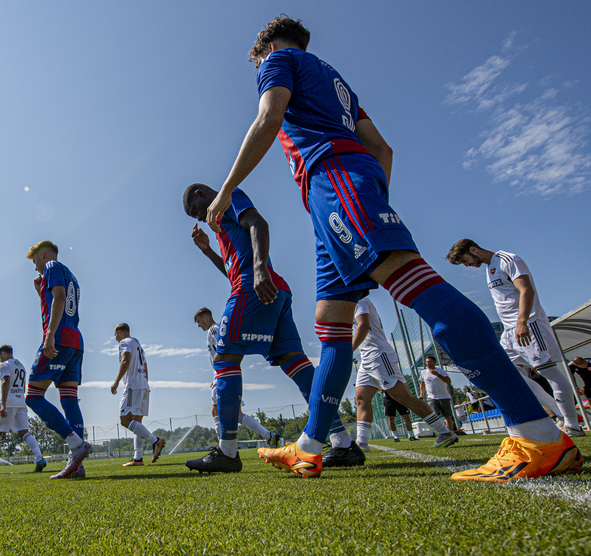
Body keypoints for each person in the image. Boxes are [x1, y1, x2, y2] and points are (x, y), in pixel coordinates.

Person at [209, 15, 579, 481]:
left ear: (266, 48)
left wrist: (226, 191)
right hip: (343, 190)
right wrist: (373, 195)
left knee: (417, 285)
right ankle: (309, 447)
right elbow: (382, 149)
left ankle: (537, 435)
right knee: (330, 326)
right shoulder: (338, 84)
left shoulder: (278, 60)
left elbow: (269, 117)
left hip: (334, 180)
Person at [183, 183, 362, 475]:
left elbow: (259, 223)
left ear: (202, 194)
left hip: (252, 287)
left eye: (196, 210)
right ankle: (342, 441)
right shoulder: (222, 228)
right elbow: (231, 270)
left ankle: (227, 452)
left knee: (224, 359)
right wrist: (207, 251)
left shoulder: (227, 198)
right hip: (273, 290)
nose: (199, 217)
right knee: (296, 363)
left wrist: (259, 268)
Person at [447, 240, 583, 438]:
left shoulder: (508, 259)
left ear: (473, 249)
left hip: (529, 324)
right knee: (508, 374)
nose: (466, 265)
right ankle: (559, 414)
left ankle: (573, 425)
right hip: (509, 331)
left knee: (550, 372)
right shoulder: (490, 268)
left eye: (464, 260)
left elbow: (526, 289)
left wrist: (522, 322)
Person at [23, 241, 92, 479]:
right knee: (69, 400)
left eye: (35, 261)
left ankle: (76, 445)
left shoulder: (51, 266)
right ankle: (77, 465)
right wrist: (39, 290)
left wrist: (50, 335)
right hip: (75, 339)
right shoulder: (70, 275)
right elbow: (57, 299)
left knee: (33, 396)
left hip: (59, 337)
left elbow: (59, 298)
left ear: (43, 255)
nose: (35, 268)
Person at [352, 296, 457, 450]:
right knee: (361, 399)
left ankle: (445, 432)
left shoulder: (359, 300)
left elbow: (364, 326)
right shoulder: (349, 303)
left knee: (403, 397)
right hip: (366, 358)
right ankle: (361, 444)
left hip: (379, 355)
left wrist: (349, 351)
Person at [194, 308, 281, 447]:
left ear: (205, 318)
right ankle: (269, 435)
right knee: (237, 414)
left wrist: (219, 374)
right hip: (228, 372)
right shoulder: (219, 329)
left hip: (223, 373)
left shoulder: (213, 330)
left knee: (215, 411)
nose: (198, 325)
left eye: (199, 321)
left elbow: (224, 350)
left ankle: (223, 448)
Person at [0, 345, 48, 475]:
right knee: (24, 432)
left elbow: (6, 382)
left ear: (3, 354)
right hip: (20, 401)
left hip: (9, 402)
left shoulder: (5, 365)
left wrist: (3, 404)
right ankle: (39, 458)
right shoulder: (21, 365)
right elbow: (23, 386)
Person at [109, 324, 166, 467]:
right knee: (137, 422)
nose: (115, 338)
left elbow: (126, 361)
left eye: (115, 335)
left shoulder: (124, 343)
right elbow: (145, 366)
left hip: (133, 386)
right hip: (143, 385)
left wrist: (116, 382)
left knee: (124, 420)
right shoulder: (137, 344)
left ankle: (155, 441)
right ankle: (138, 459)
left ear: (120, 333)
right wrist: (144, 383)